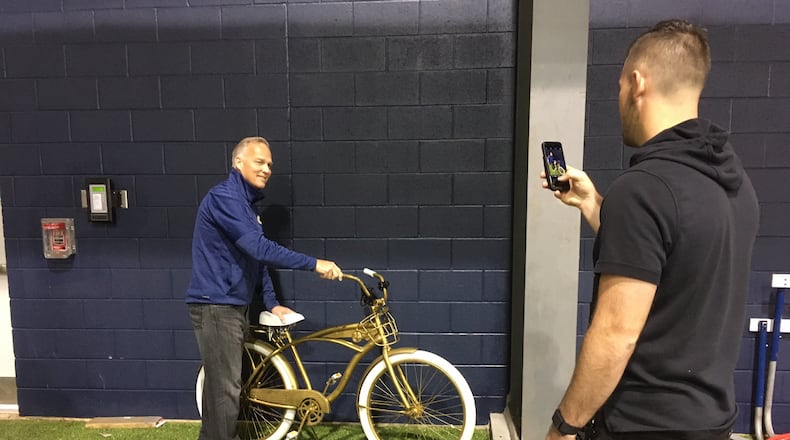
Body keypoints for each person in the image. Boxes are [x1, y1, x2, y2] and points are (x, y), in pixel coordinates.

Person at [543, 20, 759, 440]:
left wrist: (564, 426)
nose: (619, 96)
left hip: (642, 425)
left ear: (638, 83)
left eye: (620, 85)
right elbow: (672, 260)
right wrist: (594, 203)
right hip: (710, 422)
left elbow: (616, 334)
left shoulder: (644, 190)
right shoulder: (732, 182)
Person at [186, 136, 344, 440]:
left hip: (230, 304)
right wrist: (314, 264)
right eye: (259, 161)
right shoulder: (225, 198)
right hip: (216, 305)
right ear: (238, 162)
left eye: (269, 164)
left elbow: (255, 260)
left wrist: (271, 302)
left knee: (223, 388)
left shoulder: (245, 207)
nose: (266, 169)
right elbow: (259, 249)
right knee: (226, 392)